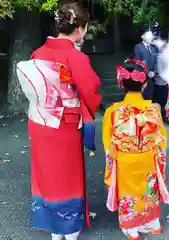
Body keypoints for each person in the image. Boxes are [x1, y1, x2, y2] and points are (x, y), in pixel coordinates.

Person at [16, 2, 102, 240]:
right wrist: (87, 109)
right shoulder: (75, 56)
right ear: (80, 28)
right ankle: (69, 227)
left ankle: (54, 227)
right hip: (65, 123)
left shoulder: (39, 52)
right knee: (67, 174)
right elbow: (90, 88)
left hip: (40, 122)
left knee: (46, 172)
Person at [102, 58, 169, 240]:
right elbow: (161, 142)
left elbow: (108, 144)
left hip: (125, 162)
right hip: (147, 159)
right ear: (145, 84)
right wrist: (160, 164)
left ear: (120, 83)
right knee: (149, 190)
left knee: (129, 194)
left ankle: (132, 229)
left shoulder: (113, 112)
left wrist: (111, 165)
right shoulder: (153, 110)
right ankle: (152, 223)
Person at [133, 30, 157, 100]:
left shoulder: (153, 48)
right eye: (148, 35)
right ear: (142, 36)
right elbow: (138, 63)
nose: (150, 37)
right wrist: (147, 72)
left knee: (150, 98)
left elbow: (156, 63)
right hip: (142, 79)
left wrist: (154, 72)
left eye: (151, 35)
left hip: (152, 79)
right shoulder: (138, 47)